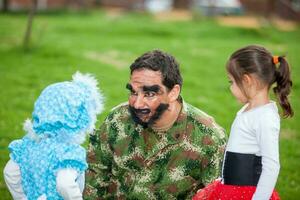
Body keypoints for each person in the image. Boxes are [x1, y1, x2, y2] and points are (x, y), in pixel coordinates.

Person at [84, 49, 227, 199]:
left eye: (149, 94)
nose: (137, 104)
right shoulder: (117, 119)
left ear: (173, 92)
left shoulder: (210, 139)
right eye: (133, 92)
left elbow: (216, 194)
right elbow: (95, 173)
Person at [193, 45, 294, 200]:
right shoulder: (249, 110)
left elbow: (271, 166)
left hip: (245, 194)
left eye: (232, 82)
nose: (231, 87)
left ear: (247, 81)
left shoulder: (264, 117)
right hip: (231, 187)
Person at [3, 72, 104, 200]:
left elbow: (10, 172)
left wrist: (21, 197)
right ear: (82, 116)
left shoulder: (26, 145)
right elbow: (65, 185)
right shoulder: (68, 152)